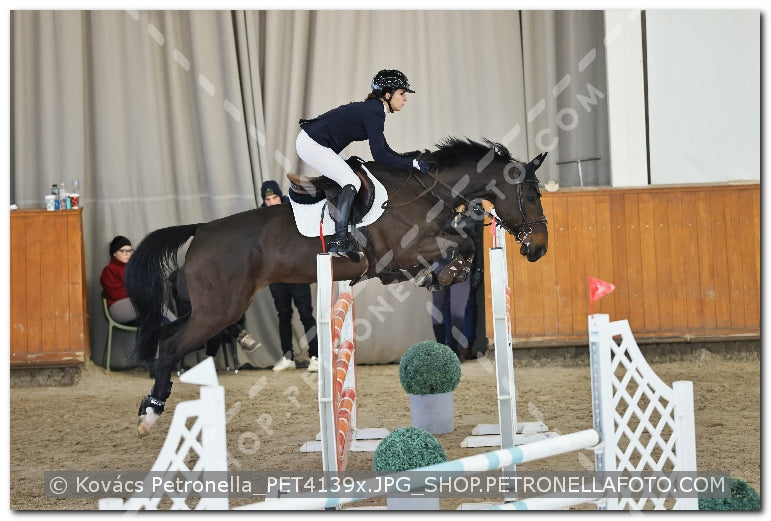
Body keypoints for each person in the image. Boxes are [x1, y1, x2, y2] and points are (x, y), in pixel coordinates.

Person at [296, 69, 429, 261]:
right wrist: (412, 164)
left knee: (353, 171)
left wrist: (414, 163)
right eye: (402, 93)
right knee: (352, 181)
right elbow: (380, 155)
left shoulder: (375, 109)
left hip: (317, 142)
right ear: (387, 94)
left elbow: (385, 149)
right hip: (312, 143)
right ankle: (340, 239)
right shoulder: (374, 111)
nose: (405, 98)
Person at [261, 181, 319, 372]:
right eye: (267, 199)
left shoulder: (294, 210)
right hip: (277, 276)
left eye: (274, 197)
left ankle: (315, 357)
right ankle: (287, 357)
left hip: (298, 274)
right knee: (283, 316)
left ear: (280, 196)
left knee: (306, 316)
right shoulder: (260, 218)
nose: (271, 202)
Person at [100, 235, 177, 325]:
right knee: (157, 306)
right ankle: (181, 332)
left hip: (134, 306)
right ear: (114, 253)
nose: (128, 254)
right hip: (118, 308)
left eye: (130, 250)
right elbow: (115, 294)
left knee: (159, 317)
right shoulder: (109, 270)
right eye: (123, 251)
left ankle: (178, 332)